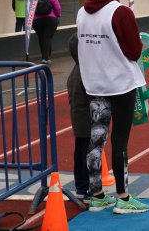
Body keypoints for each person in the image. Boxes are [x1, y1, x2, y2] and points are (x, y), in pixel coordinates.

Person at [76, 0, 149, 214]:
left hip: (94, 84)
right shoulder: (120, 13)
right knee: (119, 141)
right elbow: (134, 51)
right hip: (119, 84)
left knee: (96, 139)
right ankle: (124, 198)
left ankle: (96, 195)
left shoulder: (81, 13)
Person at [67, 33, 91, 202]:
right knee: (85, 153)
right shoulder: (85, 71)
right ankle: (84, 187)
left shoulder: (77, 69)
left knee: (81, 151)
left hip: (80, 117)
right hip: (85, 118)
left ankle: (82, 186)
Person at [33, 0, 61, 64]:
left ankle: (44, 57)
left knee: (41, 38)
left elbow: (30, 9)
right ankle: (46, 57)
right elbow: (58, 8)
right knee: (47, 37)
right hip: (50, 19)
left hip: (37, 20)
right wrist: (57, 15)